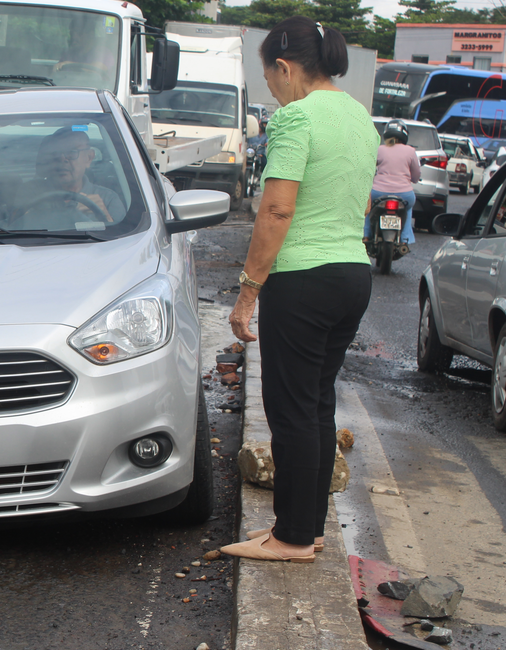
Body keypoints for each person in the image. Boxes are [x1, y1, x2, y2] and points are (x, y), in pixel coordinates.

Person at [223, 17, 379, 562]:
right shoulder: (361, 119)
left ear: (286, 67)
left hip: (303, 278)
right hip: (351, 275)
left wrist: (247, 291)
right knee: (314, 405)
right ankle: (306, 530)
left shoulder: (295, 119)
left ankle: (290, 538)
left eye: (271, 78)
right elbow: (359, 205)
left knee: (290, 409)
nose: (273, 90)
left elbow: (277, 209)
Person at [14, 126, 125, 229]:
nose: (62, 159)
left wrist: (104, 215)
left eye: (71, 152)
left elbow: (121, 242)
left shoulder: (108, 199)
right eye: (55, 153)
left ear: (89, 158)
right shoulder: (30, 193)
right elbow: (13, 230)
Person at [365, 119, 420, 256]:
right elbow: (416, 175)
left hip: (378, 192)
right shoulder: (410, 151)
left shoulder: (380, 149)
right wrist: (412, 179)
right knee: (407, 209)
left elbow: (369, 167)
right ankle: (405, 240)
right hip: (405, 194)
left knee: (367, 207)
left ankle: (366, 236)